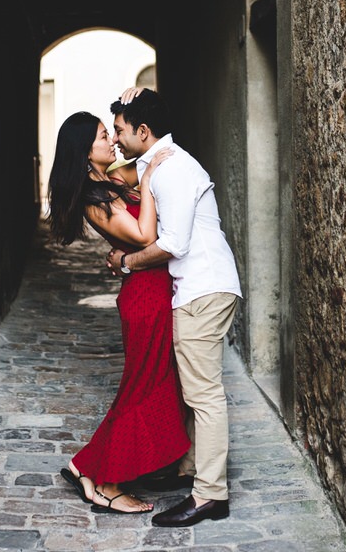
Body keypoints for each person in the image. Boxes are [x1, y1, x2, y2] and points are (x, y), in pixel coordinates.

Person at [104, 88, 243, 528]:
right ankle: (189, 472)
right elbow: (116, 173)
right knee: (190, 388)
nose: (117, 140)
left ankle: (210, 497)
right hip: (194, 290)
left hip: (204, 288)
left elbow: (173, 244)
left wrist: (126, 263)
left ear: (144, 132)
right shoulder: (155, 163)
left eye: (122, 131)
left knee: (204, 394)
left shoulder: (174, 169)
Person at [46, 111, 189, 515]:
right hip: (144, 295)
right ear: (83, 150)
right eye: (102, 136)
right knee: (140, 388)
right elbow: (145, 235)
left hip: (153, 289)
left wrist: (134, 105)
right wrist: (146, 181)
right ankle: (105, 483)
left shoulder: (107, 182)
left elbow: (139, 155)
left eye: (111, 132)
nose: (111, 140)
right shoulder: (96, 196)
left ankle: (85, 467)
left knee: (151, 383)